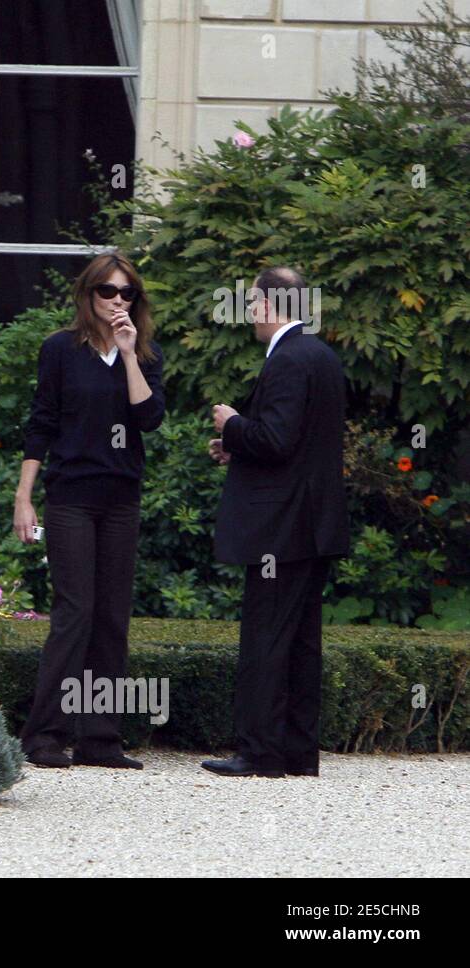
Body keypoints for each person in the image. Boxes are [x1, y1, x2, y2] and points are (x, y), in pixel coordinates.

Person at [12, 252, 166, 769]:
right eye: (108, 291)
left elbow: (148, 419)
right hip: (71, 497)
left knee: (112, 618)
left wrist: (127, 355)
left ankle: (101, 739)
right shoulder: (59, 349)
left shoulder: (143, 353)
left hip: (121, 499)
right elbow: (42, 423)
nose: (118, 300)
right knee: (74, 612)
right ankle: (44, 735)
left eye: (128, 294)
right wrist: (23, 497)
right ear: (88, 294)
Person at [203, 266, 349, 778]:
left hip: (279, 529)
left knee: (265, 635)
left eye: (251, 304)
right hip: (314, 525)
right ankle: (296, 752)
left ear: (267, 306)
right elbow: (301, 446)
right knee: (302, 639)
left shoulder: (287, 359)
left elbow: (277, 440)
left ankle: (260, 752)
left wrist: (233, 424)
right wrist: (237, 447)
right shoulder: (323, 356)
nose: (248, 314)